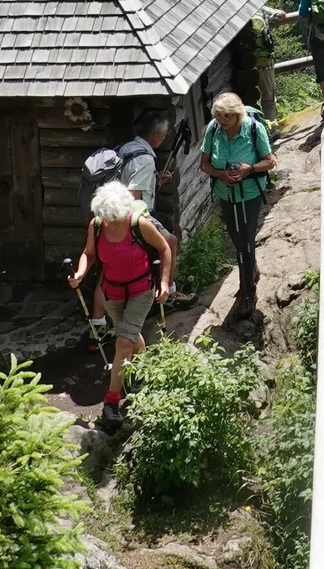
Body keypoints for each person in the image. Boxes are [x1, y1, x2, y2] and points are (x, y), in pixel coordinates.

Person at [70, 181, 175, 424]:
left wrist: (164, 282)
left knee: (123, 342)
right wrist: (80, 273)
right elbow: (89, 254)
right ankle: (146, 371)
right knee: (130, 335)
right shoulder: (97, 225)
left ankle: (112, 400)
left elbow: (165, 248)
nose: (113, 223)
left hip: (141, 290)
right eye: (109, 219)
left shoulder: (138, 223)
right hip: (112, 293)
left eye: (116, 218)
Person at [90, 108, 179, 323]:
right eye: (164, 134)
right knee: (170, 242)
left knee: (108, 269)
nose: (164, 138)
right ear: (157, 136)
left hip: (108, 209)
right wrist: (138, 228)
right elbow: (134, 197)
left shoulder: (127, 147)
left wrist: (155, 181)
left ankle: (97, 320)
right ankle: (169, 291)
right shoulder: (145, 159)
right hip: (126, 215)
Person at [200, 91, 275, 322]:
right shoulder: (213, 130)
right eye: (219, 116)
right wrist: (222, 174)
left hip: (250, 193)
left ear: (237, 115)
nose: (222, 121)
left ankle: (247, 293)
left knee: (245, 239)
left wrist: (248, 169)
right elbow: (204, 165)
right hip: (227, 193)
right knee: (236, 237)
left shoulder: (253, 129)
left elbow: (270, 162)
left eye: (226, 117)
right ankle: (251, 270)